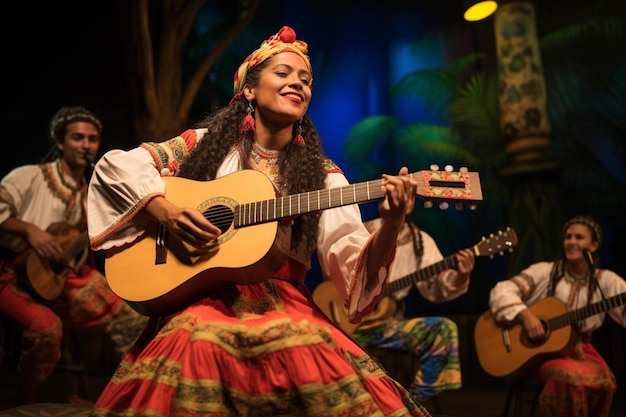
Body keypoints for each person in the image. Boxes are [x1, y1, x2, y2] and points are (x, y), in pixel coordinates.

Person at [86, 26, 433, 416]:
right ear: (249, 90)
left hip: (285, 304)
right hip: (204, 294)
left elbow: (354, 271)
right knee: (199, 341)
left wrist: (390, 224)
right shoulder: (203, 145)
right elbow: (115, 167)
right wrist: (163, 209)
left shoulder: (325, 176)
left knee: (304, 345)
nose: (297, 84)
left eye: (305, 80)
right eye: (283, 74)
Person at [0, 106, 148, 405]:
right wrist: (29, 229)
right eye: (77, 138)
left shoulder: (90, 194)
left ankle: (123, 400)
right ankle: (24, 402)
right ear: (60, 143)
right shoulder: (29, 176)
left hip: (60, 281)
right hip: (12, 276)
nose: (86, 145)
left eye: (92, 139)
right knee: (46, 328)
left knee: (132, 319)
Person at [488, 215, 626, 417]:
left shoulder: (606, 280)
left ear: (594, 245)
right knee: (569, 378)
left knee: (607, 382)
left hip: (582, 351)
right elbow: (502, 290)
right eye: (568, 237)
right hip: (541, 354)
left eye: (579, 238)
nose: (571, 242)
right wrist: (526, 316)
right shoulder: (545, 272)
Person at [351, 217, 474, 402]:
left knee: (443, 328)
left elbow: (436, 287)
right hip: (350, 326)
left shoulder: (420, 240)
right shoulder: (363, 229)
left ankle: (416, 400)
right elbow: (334, 269)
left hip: (386, 326)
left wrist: (460, 277)